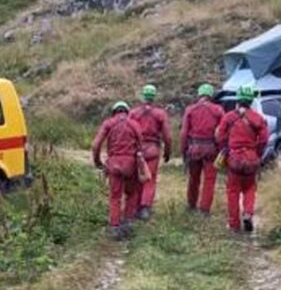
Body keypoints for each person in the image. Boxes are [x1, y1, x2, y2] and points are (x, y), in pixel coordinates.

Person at [215, 84, 270, 233]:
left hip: (235, 158)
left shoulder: (229, 117)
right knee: (250, 188)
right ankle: (247, 213)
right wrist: (257, 154)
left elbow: (220, 137)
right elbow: (264, 139)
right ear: (251, 101)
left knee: (233, 191)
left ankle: (234, 224)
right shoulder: (258, 118)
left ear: (238, 100)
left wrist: (224, 151)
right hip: (251, 157)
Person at [91, 101, 145, 238]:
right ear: (127, 111)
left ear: (114, 112)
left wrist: (98, 162)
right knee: (131, 194)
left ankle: (115, 227)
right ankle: (128, 224)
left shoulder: (109, 123)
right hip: (130, 164)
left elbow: (96, 145)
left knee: (115, 196)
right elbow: (141, 147)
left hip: (114, 164)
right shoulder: (134, 124)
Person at [129, 84, 172, 219]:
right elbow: (167, 136)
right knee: (150, 179)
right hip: (153, 148)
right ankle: (145, 208)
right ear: (154, 97)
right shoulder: (160, 113)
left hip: (136, 149)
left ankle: (134, 207)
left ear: (143, 95)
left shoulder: (134, 113)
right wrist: (168, 151)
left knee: (137, 178)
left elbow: (128, 131)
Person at [180, 83, 224, 214]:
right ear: (211, 95)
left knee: (194, 178)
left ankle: (191, 204)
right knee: (209, 179)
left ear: (199, 95)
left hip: (194, 148)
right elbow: (222, 133)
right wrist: (222, 150)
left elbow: (184, 133)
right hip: (211, 149)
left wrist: (183, 151)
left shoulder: (190, 109)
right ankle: (204, 209)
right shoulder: (218, 110)